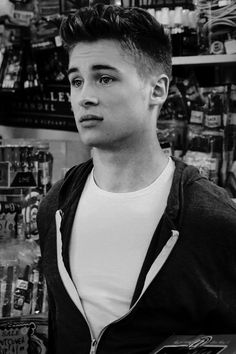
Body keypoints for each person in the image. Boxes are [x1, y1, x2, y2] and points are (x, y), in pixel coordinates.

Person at [37, 4, 236, 354]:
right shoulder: (54, 207)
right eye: (76, 80)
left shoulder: (211, 219)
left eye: (105, 78)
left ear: (157, 90)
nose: (85, 96)